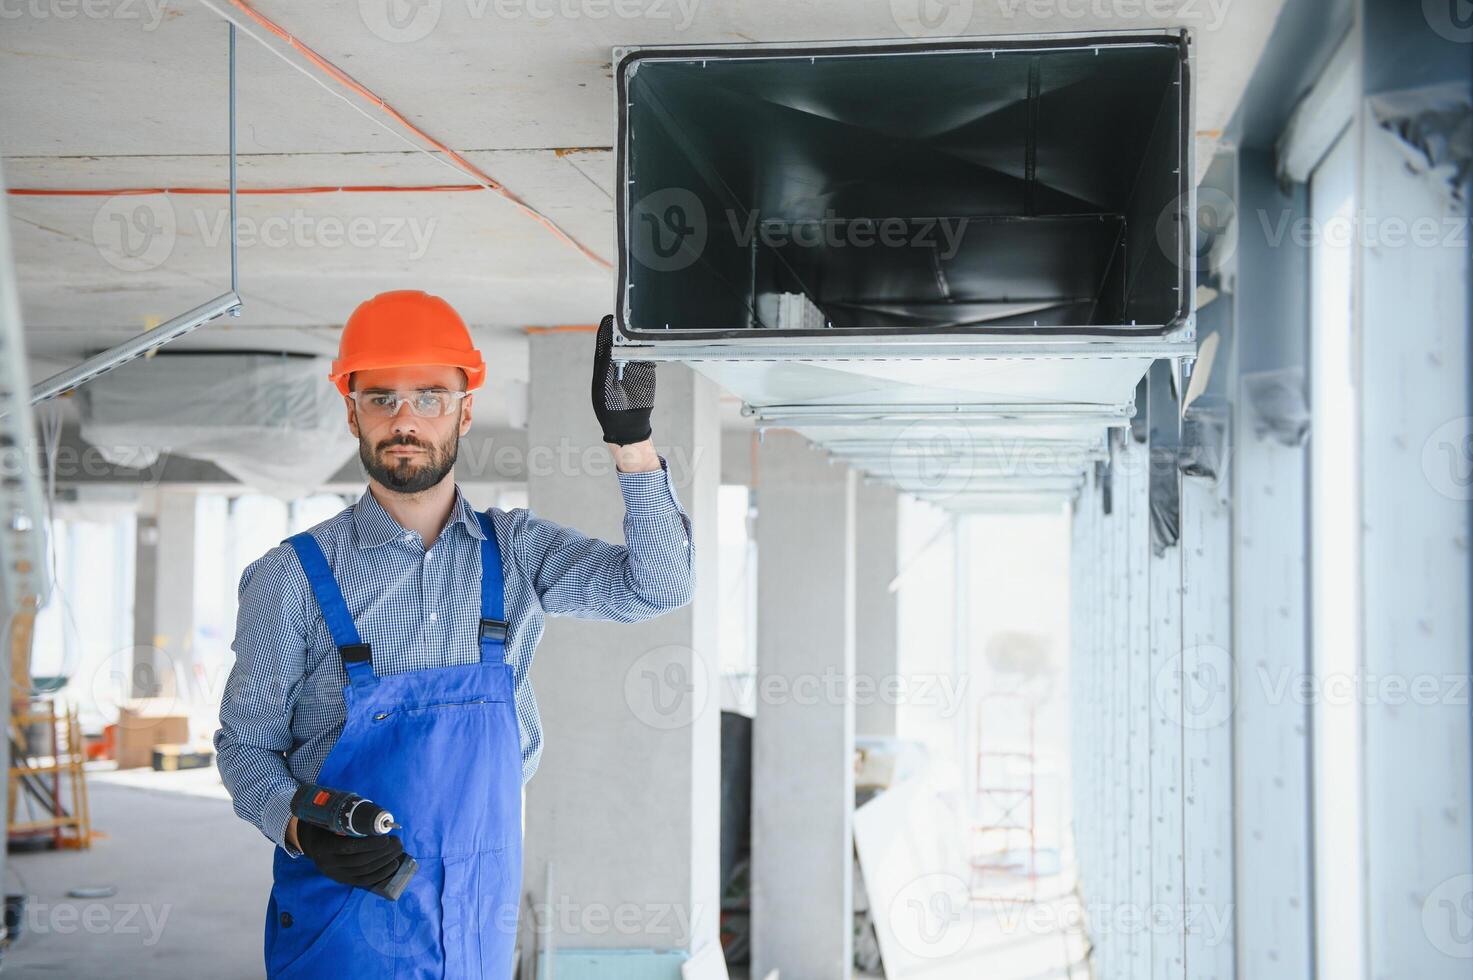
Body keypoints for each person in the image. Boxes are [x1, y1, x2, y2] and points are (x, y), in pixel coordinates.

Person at [213, 289, 694, 978]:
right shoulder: (291, 577)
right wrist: (300, 825)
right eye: (381, 398)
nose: (404, 419)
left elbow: (661, 586)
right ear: (351, 411)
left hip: (478, 915)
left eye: (430, 396)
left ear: (465, 410)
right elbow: (245, 750)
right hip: (345, 917)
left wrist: (632, 443)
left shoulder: (519, 552)